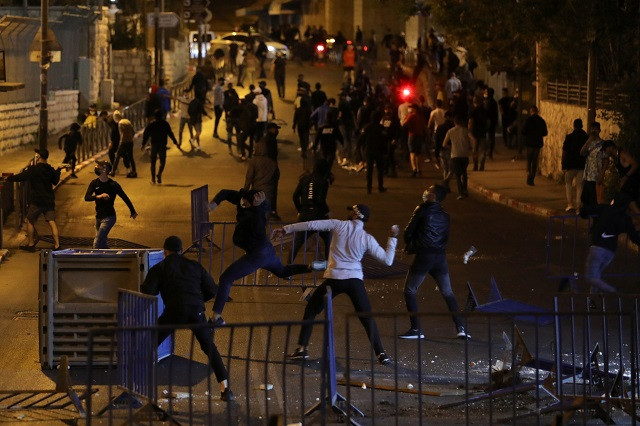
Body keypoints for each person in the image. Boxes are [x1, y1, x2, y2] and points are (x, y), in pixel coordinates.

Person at [272, 204, 399, 365]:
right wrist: (393, 238)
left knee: (312, 309)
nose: (350, 213)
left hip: (334, 279)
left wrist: (286, 229)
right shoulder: (367, 238)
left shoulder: (338, 225)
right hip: (354, 280)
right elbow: (388, 260)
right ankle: (381, 353)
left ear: (355, 215)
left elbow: (311, 224)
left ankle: (302, 349)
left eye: (352, 211)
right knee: (366, 317)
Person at [141, 236, 234, 402]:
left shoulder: (160, 267)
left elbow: (149, 291)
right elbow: (212, 289)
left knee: (150, 342)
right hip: (195, 311)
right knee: (209, 347)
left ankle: (139, 385)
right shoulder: (194, 265)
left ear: (165, 251)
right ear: (180, 250)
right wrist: (198, 300)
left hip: (174, 311)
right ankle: (225, 388)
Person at [208, 189, 315, 324]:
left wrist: (257, 208)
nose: (244, 205)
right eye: (244, 203)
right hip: (267, 251)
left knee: (226, 278)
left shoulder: (256, 215)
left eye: (248, 205)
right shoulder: (242, 198)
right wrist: (215, 203)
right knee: (283, 272)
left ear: (253, 203)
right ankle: (310, 266)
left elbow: (258, 223)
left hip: (257, 255)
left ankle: (216, 317)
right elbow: (225, 193)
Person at [399, 185, 470, 340]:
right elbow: (446, 237)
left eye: (428, 190)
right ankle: (461, 328)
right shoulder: (445, 215)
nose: (425, 191)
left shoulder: (422, 209)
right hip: (440, 257)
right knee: (447, 292)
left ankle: (416, 329)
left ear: (433, 195)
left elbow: (408, 232)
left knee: (410, 290)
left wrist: (411, 244)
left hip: (424, 256)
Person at [5, 149, 63, 251]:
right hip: (49, 200)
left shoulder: (34, 169)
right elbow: (55, 181)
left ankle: (31, 244)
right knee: (51, 221)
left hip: (37, 201)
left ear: (39, 157)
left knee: (30, 220)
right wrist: (58, 170)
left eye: (36, 155)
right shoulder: (50, 169)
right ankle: (57, 245)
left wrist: (9, 178)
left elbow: (22, 176)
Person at [585, 193, 640, 294]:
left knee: (591, 277)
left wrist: (583, 212)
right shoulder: (625, 218)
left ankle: (612, 291)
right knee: (596, 275)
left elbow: (588, 209)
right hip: (610, 252)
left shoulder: (606, 209)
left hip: (598, 248)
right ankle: (592, 302)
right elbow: (634, 236)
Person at [84, 161, 138, 248]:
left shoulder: (113, 185)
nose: (96, 167)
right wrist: (99, 196)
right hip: (98, 217)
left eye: (99, 166)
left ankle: (94, 260)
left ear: (104, 170)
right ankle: (111, 258)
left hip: (109, 218)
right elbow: (87, 197)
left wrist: (133, 211)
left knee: (96, 243)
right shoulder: (94, 183)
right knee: (102, 243)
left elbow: (125, 197)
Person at [289, 159, 332, 262]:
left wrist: (300, 209)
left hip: (304, 214)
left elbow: (295, 196)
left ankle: (288, 266)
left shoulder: (305, 179)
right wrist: (327, 211)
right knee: (328, 241)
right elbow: (320, 200)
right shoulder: (323, 181)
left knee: (298, 242)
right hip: (318, 215)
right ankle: (329, 267)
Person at [244, 123, 282, 221]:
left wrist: (245, 192)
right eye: (275, 129)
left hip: (257, 187)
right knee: (265, 210)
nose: (277, 131)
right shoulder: (269, 143)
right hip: (268, 187)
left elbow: (249, 177)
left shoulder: (254, 161)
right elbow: (276, 174)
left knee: (258, 211)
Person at [141, 110, 179, 184]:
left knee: (153, 162)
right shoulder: (165, 124)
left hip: (154, 144)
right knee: (163, 161)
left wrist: (143, 144)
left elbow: (146, 134)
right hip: (162, 144)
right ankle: (159, 174)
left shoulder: (151, 124)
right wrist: (175, 142)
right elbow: (170, 134)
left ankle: (153, 179)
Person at [443, 115, 473, 199]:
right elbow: (474, 139)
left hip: (455, 155)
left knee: (457, 175)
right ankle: (465, 190)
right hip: (464, 155)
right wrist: (473, 148)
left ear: (454, 122)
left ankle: (460, 193)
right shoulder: (466, 130)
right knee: (464, 173)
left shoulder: (450, 131)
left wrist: (451, 146)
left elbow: (444, 144)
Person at [580, 121, 606, 215]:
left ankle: (595, 219)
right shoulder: (589, 142)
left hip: (596, 175)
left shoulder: (603, 144)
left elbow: (605, 160)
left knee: (594, 199)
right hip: (587, 175)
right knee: (584, 198)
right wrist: (589, 140)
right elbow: (582, 153)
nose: (593, 130)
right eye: (592, 129)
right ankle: (590, 216)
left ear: (599, 130)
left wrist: (602, 174)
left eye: (595, 129)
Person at [562, 118, 588, 212]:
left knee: (568, 184)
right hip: (581, 165)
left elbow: (565, 152)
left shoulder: (569, 137)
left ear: (574, 125)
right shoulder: (586, 137)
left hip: (570, 164)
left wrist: (563, 165)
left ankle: (570, 204)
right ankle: (578, 207)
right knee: (580, 186)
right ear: (582, 125)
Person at [358, 111, 387, 193]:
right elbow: (385, 139)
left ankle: (369, 188)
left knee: (369, 170)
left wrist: (360, 148)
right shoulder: (381, 128)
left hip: (369, 150)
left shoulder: (366, 127)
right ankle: (380, 187)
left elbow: (361, 139)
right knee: (380, 170)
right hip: (379, 151)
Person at [521, 105, 548, 186]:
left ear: (531, 111)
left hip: (529, 143)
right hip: (537, 144)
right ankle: (532, 177)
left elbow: (523, 131)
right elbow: (545, 133)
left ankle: (528, 175)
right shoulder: (541, 120)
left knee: (529, 160)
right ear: (537, 111)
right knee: (535, 161)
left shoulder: (528, 120)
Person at [111, 110, 137, 178]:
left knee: (117, 156)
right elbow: (133, 132)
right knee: (131, 157)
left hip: (123, 142)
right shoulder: (127, 121)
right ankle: (134, 171)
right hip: (130, 142)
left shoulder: (120, 123)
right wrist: (130, 138)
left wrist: (121, 142)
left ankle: (113, 171)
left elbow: (121, 134)